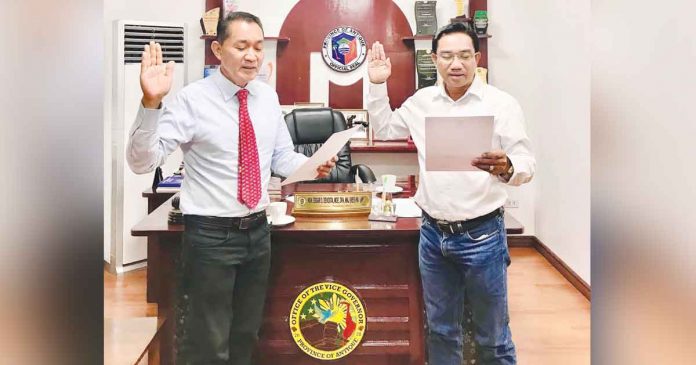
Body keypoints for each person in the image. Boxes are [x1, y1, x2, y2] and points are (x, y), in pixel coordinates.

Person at [127, 12, 336, 365]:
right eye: (241, 46)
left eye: (257, 47)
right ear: (218, 49)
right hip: (210, 235)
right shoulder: (192, 100)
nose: (252, 56)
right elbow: (142, 162)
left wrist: (312, 167)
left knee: (245, 334)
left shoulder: (267, 98)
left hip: (258, 231)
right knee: (208, 340)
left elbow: (281, 158)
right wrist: (151, 103)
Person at [366, 22, 535, 365]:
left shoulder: (501, 104)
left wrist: (507, 167)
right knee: (441, 331)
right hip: (433, 235)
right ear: (434, 60)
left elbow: (526, 162)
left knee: (493, 337)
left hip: (483, 234)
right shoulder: (422, 101)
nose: (455, 64)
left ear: (476, 58)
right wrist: (376, 84)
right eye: (446, 56)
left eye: (463, 56)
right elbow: (384, 128)